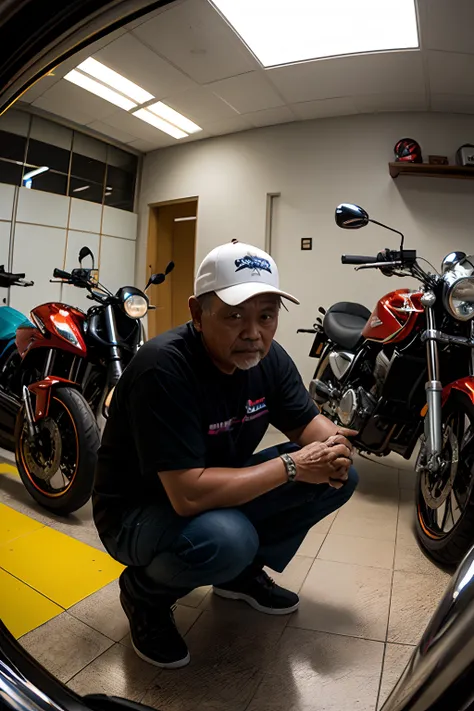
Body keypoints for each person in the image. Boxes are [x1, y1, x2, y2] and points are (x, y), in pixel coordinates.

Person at [93, 240, 358, 669]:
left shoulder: (265, 358)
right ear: (197, 314)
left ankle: (238, 574)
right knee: (229, 536)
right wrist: (293, 465)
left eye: (266, 316)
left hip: (207, 485)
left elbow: (310, 426)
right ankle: (145, 595)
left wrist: (334, 448)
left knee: (339, 477)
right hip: (137, 511)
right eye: (234, 315)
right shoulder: (163, 367)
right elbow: (188, 496)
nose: (253, 332)